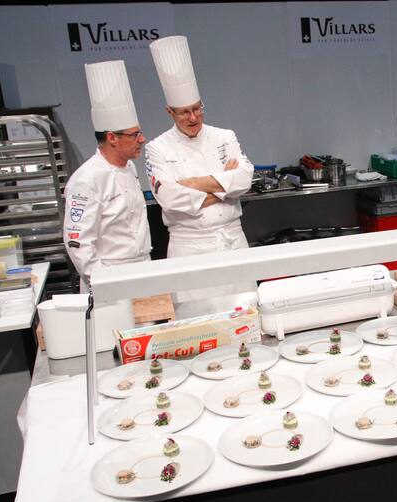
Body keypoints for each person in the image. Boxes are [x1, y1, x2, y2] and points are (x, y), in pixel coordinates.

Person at [145, 35, 255, 309]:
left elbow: (244, 179)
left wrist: (194, 183)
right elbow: (170, 198)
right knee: (198, 323)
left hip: (233, 241)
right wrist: (223, 189)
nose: (193, 118)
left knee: (246, 317)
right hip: (190, 247)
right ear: (169, 112)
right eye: (184, 113)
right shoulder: (157, 148)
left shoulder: (224, 136)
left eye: (197, 109)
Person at [64, 60, 151, 292]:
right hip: (109, 276)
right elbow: (78, 241)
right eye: (135, 135)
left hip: (142, 268)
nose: (142, 139)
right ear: (112, 137)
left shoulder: (130, 168)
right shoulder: (86, 180)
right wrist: (103, 282)